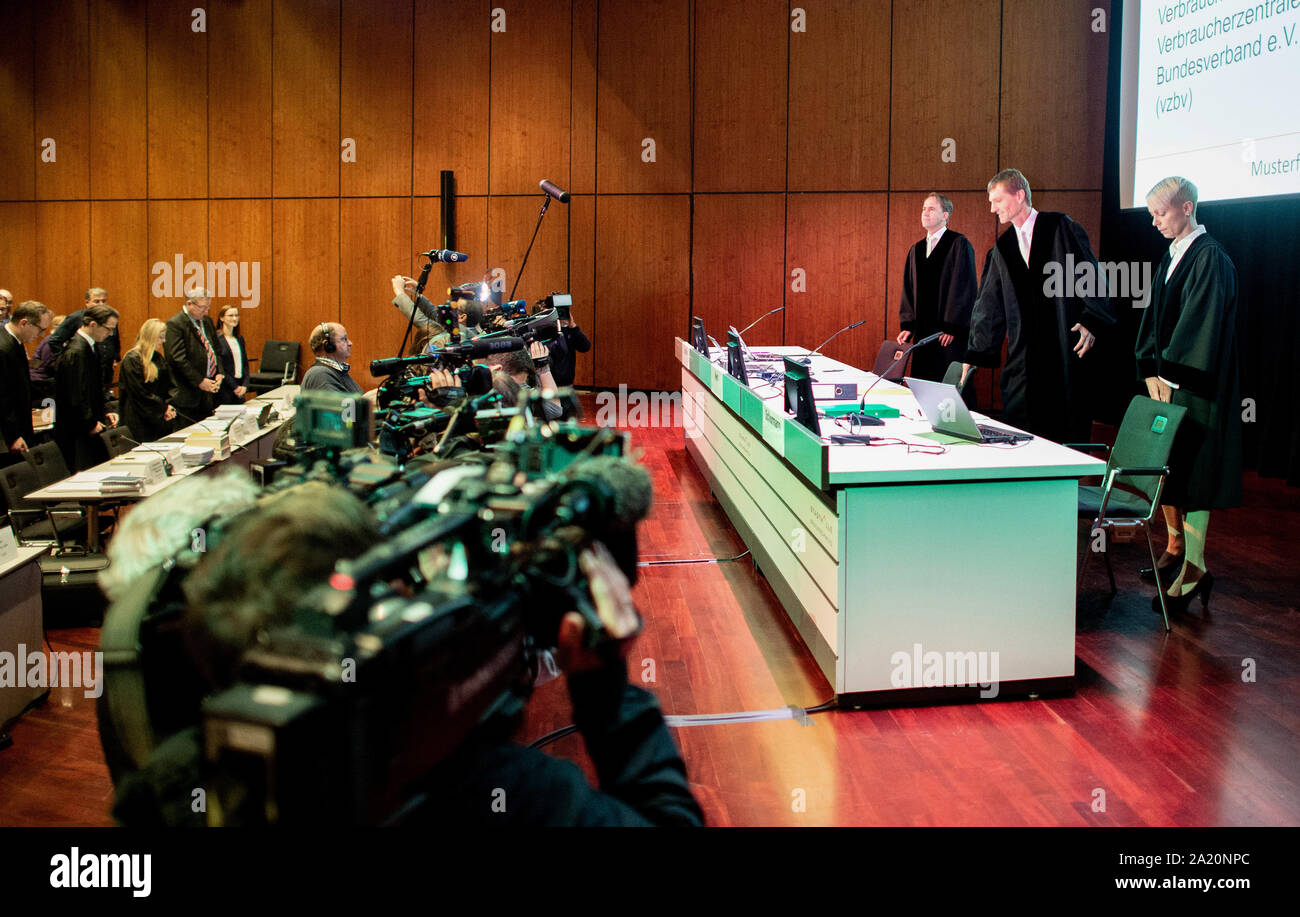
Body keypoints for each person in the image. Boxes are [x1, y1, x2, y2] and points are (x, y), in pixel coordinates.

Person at [1135, 176, 1240, 613]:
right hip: (1169, 383)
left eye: (1161, 213)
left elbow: (1201, 325)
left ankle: (1196, 567)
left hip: (1196, 387)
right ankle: (1177, 550)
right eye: (1152, 215)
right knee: (1172, 469)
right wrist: (1148, 368)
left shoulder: (1209, 258)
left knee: (1195, 475)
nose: (1155, 222)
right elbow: (1156, 318)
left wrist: (1169, 372)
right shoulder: (1173, 254)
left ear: (1188, 208)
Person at [964, 169, 1117, 442]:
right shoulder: (1003, 248)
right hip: (1023, 360)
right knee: (1023, 434)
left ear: (1019, 195)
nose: (992, 208)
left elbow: (1091, 274)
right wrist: (975, 354)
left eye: (997, 200)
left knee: (1063, 430)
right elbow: (989, 305)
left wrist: (1093, 318)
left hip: (1062, 352)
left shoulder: (1060, 228)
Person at [897, 193, 978, 382]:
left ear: (945, 215)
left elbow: (964, 287)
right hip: (923, 334)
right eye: (924, 208)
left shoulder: (958, 244)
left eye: (931, 208)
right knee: (923, 384)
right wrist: (908, 325)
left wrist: (952, 327)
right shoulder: (916, 249)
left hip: (947, 335)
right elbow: (908, 289)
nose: (925, 212)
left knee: (947, 389)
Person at [53, 305, 119, 470]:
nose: (110, 334)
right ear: (92, 324)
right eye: (108, 329)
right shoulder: (76, 351)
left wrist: (103, 411)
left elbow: (93, 388)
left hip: (88, 423)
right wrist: (89, 422)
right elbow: (76, 394)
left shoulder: (90, 346)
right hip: (77, 429)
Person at [164, 289, 223, 428]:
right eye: (203, 307)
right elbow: (176, 359)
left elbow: (216, 350)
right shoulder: (175, 324)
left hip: (207, 393)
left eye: (208, 307)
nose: (206, 311)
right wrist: (199, 381)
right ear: (189, 304)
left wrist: (219, 372)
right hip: (187, 395)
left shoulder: (207, 321)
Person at [0, 301, 52, 455]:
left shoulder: (15, 342)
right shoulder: (3, 348)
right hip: (6, 436)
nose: (41, 335)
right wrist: (13, 435)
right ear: (24, 323)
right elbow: (2, 397)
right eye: (40, 329)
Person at [46, 288, 118, 393]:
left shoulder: (108, 319)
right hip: (82, 368)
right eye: (97, 301)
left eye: (104, 301)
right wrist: (66, 360)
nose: (101, 304)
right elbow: (54, 341)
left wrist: (115, 356)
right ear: (87, 302)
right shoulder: (75, 321)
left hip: (103, 369)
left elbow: (115, 340)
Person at [118, 318, 177, 444]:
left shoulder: (158, 357)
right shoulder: (132, 359)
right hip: (139, 418)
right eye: (160, 337)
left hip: (160, 417)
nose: (164, 341)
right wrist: (162, 408)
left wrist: (169, 406)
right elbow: (139, 393)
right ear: (151, 336)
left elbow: (171, 385)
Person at [302, 321, 363, 395]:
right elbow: (344, 405)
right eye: (344, 339)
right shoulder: (320, 374)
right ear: (328, 346)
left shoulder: (337, 371)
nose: (350, 343)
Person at [213, 305, 250, 405]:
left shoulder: (239, 339)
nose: (234, 318)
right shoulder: (216, 339)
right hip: (225, 389)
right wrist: (234, 387)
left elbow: (245, 364)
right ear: (222, 318)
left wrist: (245, 385)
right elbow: (220, 367)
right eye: (230, 315)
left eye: (236, 315)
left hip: (240, 387)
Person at [547, 311, 592, 389]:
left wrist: (573, 326)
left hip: (566, 382)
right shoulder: (543, 330)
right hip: (547, 381)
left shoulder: (570, 330)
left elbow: (585, 347)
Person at [28, 313, 64, 406]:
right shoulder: (51, 342)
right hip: (40, 382)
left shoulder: (55, 341)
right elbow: (49, 365)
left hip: (43, 379)